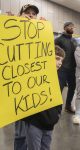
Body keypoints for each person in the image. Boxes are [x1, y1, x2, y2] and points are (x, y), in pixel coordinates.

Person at [23, 45, 65, 150]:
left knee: (46, 147)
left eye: (62, 60)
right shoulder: (33, 77)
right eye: (57, 58)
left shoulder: (58, 79)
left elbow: (58, 100)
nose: (60, 62)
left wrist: (57, 115)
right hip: (35, 123)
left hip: (49, 123)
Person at [14, 4, 40, 150]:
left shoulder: (40, 35)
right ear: (20, 14)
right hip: (17, 88)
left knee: (33, 130)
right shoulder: (9, 32)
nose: (31, 16)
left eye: (33, 14)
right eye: (27, 13)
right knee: (21, 131)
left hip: (35, 87)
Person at [55, 21, 77, 113]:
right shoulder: (58, 39)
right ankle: (57, 108)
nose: (72, 27)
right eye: (70, 26)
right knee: (59, 88)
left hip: (73, 68)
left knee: (72, 87)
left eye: (73, 26)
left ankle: (68, 106)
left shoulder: (74, 41)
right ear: (65, 28)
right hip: (62, 68)